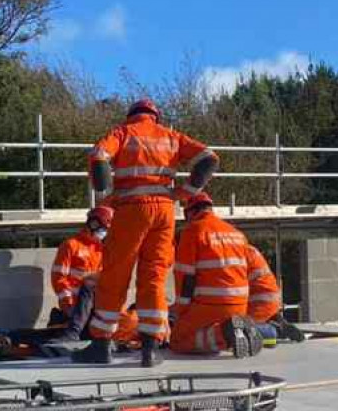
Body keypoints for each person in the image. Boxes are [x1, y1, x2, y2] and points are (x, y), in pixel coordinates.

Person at [74, 99, 220, 367]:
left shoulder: (122, 132)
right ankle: (150, 350)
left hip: (131, 210)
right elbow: (209, 158)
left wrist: (104, 192)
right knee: (154, 276)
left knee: (115, 273)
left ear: (131, 116)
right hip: (164, 212)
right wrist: (187, 193)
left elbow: (98, 156)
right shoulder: (171, 137)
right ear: (155, 116)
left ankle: (101, 344)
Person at [169, 194, 264, 357]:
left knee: (178, 340)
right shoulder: (236, 233)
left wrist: (181, 310)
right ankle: (235, 331)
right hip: (240, 305)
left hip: (211, 304)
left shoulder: (193, 231)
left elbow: (185, 276)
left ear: (190, 213)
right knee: (205, 332)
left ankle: (225, 333)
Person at [50, 206, 113, 341]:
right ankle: (72, 332)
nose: (104, 233)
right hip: (74, 304)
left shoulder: (102, 250)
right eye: (103, 229)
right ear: (93, 224)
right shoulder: (71, 245)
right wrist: (67, 303)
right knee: (90, 285)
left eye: (106, 230)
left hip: (94, 306)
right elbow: (58, 278)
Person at [244, 244, 305, 344]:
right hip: (269, 299)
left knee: (239, 329)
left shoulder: (234, 255)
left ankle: (273, 331)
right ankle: (278, 322)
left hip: (258, 302)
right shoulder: (247, 250)